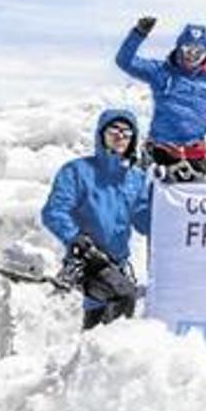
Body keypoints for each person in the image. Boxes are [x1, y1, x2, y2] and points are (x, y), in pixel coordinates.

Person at [41, 109, 151, 330]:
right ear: (101, 134)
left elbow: (143, 222)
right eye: (114, 130)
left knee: (96, 323)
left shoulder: (135, 179)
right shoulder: (77, 171)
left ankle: (88, 360)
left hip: (116, 265)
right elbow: (53, 211)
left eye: (127, 132)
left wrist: (163, 192)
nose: (120, 136)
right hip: (87, 260)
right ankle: (110, 356)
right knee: (123, 296)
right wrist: (74, 237)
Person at [116, 16, 206, 183]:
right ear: (179, 48)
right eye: (187, 49)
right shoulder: (160, 72)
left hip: (194, 158)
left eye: (198, 52)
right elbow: (124, 61)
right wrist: (138, 34)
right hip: (160, 153)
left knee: (188, 207)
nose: (191, 56)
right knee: (151, 204)